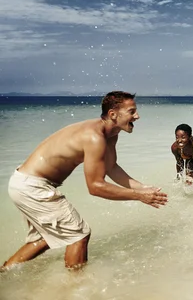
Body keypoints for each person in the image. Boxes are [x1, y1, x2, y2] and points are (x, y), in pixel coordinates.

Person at [2, 91, 168, 271]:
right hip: (33, 186)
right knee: (79, 235)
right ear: (113, 114)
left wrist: (143, 188)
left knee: (44, 238)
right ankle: (75, 289)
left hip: (23, 183)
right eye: (132, 111)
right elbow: (95, 187)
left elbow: (111, 167)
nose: (137, 116)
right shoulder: (95, 137)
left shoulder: (110, 134)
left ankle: (4, 273)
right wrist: (139, 197)